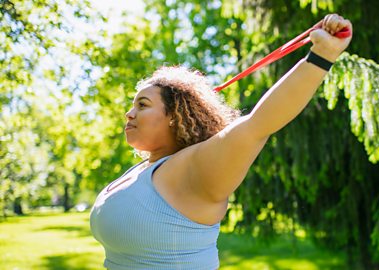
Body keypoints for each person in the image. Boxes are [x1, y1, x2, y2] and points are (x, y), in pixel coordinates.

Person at [90, 13, 352, 270]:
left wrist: (322, 55)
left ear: (174, 116)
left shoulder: (196, 168)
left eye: (142, 105)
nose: (129, 113)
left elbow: (258, 124)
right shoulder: (144, 169)